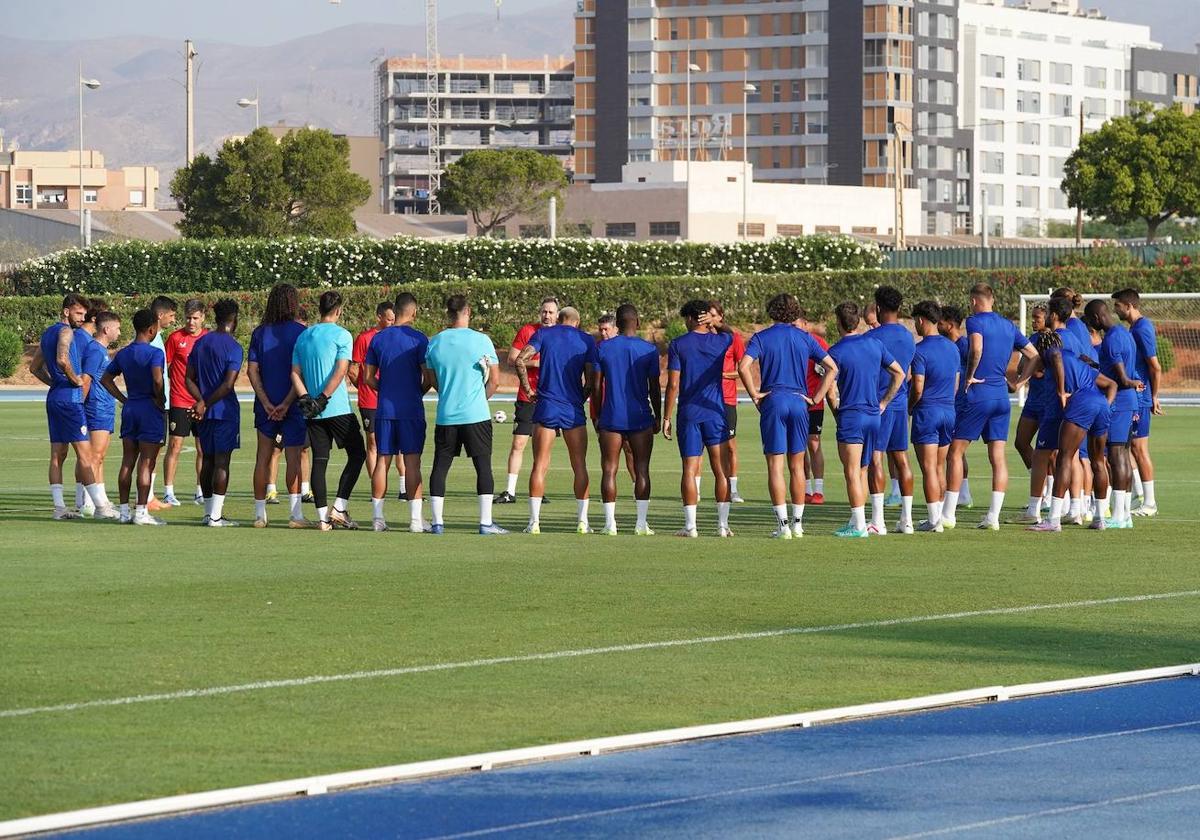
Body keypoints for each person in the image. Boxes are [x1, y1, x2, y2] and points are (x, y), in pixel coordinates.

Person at [737, 293, 837, 539]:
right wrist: (816, 398)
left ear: (772, 312)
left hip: (774, 401)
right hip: (799, 402)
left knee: (775, 466)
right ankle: (798, 524)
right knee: (797, 466)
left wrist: (755, 395)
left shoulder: (762, 337)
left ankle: (782, 526)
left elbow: (742, 366)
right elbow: (833, 367)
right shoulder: (806, 338)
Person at [942, 283, 1039, 531]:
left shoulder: (975, 321)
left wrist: (970, 375)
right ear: (992, 299)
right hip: (1001, 397)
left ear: (974, 301)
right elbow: (1034, 354)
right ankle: (993, 517)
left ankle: (949, 515)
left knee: (955, 452)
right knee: (998, 456)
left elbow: (976, 348)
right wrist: (1019, 383)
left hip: (979, 393)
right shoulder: (1009, 325)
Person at [423, 294, 507, 535]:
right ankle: (485, 523)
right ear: (468, 311)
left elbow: (432, 381)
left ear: (448, 314)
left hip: (446, 415)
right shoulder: (482, 340)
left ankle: (437, 523)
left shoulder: (435, 342)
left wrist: (451, 393)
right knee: (483, 467)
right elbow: (495, 381)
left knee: (440, 466)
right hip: (476, 415)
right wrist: (477, 399)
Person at [29, 293, 117, 520]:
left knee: (57, 456)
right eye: (78, 313)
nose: (83, 317)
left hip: (55, 397)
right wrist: (74, 380)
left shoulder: (47, 332)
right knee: (85, 455)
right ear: (66, 311)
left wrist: (55, 382)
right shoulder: (66, 331)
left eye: (84, 313)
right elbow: (61, 358)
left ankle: (59, 508)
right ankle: (101, 507)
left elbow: (34, 368)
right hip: (70, 399)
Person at [1021, 330, 1118, 532]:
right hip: (1100, 404)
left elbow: (1055, 356)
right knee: (1098, 461)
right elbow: (1112, 384)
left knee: (1064, 457)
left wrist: (1061, 391)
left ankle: (1053, 519)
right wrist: (1105, 406)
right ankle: (1099, 517)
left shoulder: (1053, 352)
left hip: (1080, 405)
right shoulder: (1078, 361)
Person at [517, 306, 598, 534]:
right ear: (577, 321)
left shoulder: (544, 334)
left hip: (546, 405)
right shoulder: (586, 340)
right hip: (572, 408)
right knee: (579, 464)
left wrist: (528, 390)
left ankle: (534, 522)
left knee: (540, 465)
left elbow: (520, 360)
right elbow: (591, 379)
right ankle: (583, 522)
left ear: (559, 319)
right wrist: (580, 398)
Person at [291, 291, 367, 531]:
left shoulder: (304, 336)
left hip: (313, 412)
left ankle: (323, 519)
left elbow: (295, 372)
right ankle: (339, 507)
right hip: (336, 407)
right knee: (357, 455)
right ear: (338, 310)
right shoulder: (342, 334)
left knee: (320, 461)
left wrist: (306, 398)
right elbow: (341, 369)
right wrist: (323, 398)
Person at [828, 302, 904, 538]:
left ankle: (860, 527)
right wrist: (884, 402)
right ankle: (856, 521)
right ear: (858, 321)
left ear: (839, 323)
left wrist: (836, 413)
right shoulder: (874, 344)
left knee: (852, 471)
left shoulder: (836, 352)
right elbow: (899, 374)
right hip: (873, 416)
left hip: (852, 415)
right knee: (862, 470)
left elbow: (830, 390)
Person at [662, 300, 734, 538]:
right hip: (715, 412)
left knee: (689, 469)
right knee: (720, 469)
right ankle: (722, 526)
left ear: (692, 318)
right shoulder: (720, 341)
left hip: (690, 413)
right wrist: (717, 322)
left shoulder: (679, 344)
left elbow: (673, 384)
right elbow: (730, 333)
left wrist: (666, 416)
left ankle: (691, 526)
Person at [363, 292, 431, 533]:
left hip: (384, 409)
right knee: (412, 463)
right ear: (413, 312)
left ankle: (378, 519)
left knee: (383, 461)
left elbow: (368, 378)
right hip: (410, 409)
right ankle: (415, 520)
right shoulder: (420, 339)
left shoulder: (378, 339)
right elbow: (429, 377)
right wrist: (415, 391)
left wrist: (387, 389)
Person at [594, 304, 662, 536]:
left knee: (609, 469)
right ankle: (641, 524)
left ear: (618, 324)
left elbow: (595, 386)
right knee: (642, 469)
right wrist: (658, 416)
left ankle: (610, 524)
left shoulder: (603, 348)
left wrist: (597, 414)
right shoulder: (649, 350)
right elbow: (654, 388)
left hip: (611, 416)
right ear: (638, 322)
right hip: (640, 416)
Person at [247, 284, 310, 529]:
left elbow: (252, 370)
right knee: (293, 457)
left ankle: (260, 514)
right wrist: (285, 403)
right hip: (292, 404)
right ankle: (295, 515)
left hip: (266, 405)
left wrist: (265, 401)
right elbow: (301, 372)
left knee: (262, 457)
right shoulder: (301, 332)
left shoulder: (260, 332)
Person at [101, 308, 167, 526]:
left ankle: (122, 512)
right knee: (147, 463)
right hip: (149, 407)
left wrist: (124, 399)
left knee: (128, 460)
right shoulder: (155, 353)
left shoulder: (124, 353)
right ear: (151, 329)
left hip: (132, 407)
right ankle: (140, 512)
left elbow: (106, 379)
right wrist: (160, 398)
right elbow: (158, 380)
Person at [1084, 299, 1144, 529]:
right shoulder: (1124, 332)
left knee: (1116, 456)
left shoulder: (1110, 340)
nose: (1091, 324)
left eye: (1091, 320)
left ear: (1097, 318)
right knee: (1124, 455)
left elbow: (1121, 379)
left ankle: (1119, 515)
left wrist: (1132, 383)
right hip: (1128, 404)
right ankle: (1124, 514)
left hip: (1118, 403)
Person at [186, 299, 244, 527]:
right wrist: (207, 403)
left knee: (207, 460)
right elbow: (228, 385)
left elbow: (188, 378)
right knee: (222, 462)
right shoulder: (234, 347)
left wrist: (200, 401)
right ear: (234, 319)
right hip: (224, 411)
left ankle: (208, 513)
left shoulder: (201, 343)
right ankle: (216, 517)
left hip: (204, 413)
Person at [496, 297, 559, 505]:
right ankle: (510, 491)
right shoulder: (527, 331)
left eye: (551, 312)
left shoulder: (560, 335)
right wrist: (536, 362)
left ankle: (538, 488)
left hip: (550, 399)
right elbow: (512, 359)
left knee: (544, 446)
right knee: (519, 442)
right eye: (544, 311)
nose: (547, 315)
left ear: (557, 315)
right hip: (527, 395)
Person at [867, 286, 916, 534]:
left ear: (878, 308)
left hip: (879, 403)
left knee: (876, 457)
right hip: (900, 402)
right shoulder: (908, 336)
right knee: (901, 457)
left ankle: (878, 521)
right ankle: (907, 520)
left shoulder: (873, 337)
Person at [908, 301, 960, 532]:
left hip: (927, 411)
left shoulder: (919, 351)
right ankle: (939, 515)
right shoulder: (953, 348)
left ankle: (933, 520)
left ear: (920, 320)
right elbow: (956, 384)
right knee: (939, 466)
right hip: (949, 411)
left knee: (928, 468)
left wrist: (910, 407)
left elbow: (917, 387)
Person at [1112, 288, 1163, 516]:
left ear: (1129, 306)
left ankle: (1150, 503)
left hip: (1141, 396)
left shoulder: (1142, 329)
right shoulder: (1134, 327)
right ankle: (1137, 496)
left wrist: (1153, 396)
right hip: (1135, 395)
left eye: (1118, 306)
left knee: (1139, 448)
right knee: (1128, 446)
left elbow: (1155, 366)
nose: (1116, 310)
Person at [161, 299, 207, 507]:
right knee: (175, 446)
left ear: (203, 318)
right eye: (188, 318)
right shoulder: (174, 338)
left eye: (195, 318)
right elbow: (165, 366)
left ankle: (200, 490)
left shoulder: (208, 339)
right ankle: (168, 491)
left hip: (202, 402)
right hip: (179, 400)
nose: (191, 322)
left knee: (203, 448)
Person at [351, 301, 397, 497]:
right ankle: (375, 488)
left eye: (394, 319)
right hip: (369, 400)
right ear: (378, 317)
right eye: (389, 319)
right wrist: (364, 387)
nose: (392, 323)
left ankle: (398, 486)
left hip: (391, 400)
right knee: (373, 443)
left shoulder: (395, 337)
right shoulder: (364, 338)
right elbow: (353, 370)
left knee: (392, 443)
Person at [77, 311, 120, 517]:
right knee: (94, 456)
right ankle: (89, 503)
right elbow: (86, 380)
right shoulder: (95, 350)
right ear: (106, 329)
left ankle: (101, 501)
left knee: (100, 457)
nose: (119, 332)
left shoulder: (102, 350)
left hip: (104, 407)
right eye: (117, 328)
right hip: (96, 408)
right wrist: (80, 406)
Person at [1011, 303, 1051, 524]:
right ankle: (1040, 484)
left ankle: (1050, 495)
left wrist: (1034, 370)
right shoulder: (1031, 339)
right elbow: (1021, 367)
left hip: (1048, 400)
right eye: (1033, 317)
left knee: (1050, 451)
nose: (1034, 321)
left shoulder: (1053, 340)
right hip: (1033, 400)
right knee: (1020, 442)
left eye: (1038, 317)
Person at [590, 313, 637, 485]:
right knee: (607, 450)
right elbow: (593, 383)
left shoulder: (627, 348)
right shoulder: (597, 349)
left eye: (606, 329)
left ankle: (635, 484)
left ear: (616, 329)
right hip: (601, 408)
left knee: (629, 448)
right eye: (600, 329)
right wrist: (596, 412)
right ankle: (608, 487)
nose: (603, 333)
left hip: (624, 407)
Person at [709, 301, 747, 503]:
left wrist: (722, 374)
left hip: (728, 399)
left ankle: (733, 489)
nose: (710, 319)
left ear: (721, 316)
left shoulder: (733, 339)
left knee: (730, 446)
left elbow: (742, 369)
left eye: (714, 315)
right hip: (706, 399)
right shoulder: (702, 339)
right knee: (702, 446)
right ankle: (695, 490)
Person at [937, 305, 974, 511]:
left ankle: (953, 498)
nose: (938, 325)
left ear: (949, 325)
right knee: (956, 451)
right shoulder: (948, 346)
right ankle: (963, 494)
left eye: (940, 322)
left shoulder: (965, 346)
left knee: (954, 451)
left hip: (962, 405)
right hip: (951, 406)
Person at [146, 295, 178, 510]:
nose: (174, 320)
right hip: (156, 405)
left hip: (159, 404)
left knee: (154, 451)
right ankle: (147, 498)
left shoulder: (158, 338)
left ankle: (149, 495)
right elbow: (155, 377)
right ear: (160, 315)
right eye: (172, 315)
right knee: (151, 452)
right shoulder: (154, 341)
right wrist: (160, 399)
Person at [800, 312, 830, 505]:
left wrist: (821, 370)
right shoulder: (790, 342)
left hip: (814, 401)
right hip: (795, 401)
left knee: (814, 442)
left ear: (805, 323)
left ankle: (818, 491)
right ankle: (805, 489)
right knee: (798, 447)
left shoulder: (817, 342)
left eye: (797, 323)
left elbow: (831, 368)